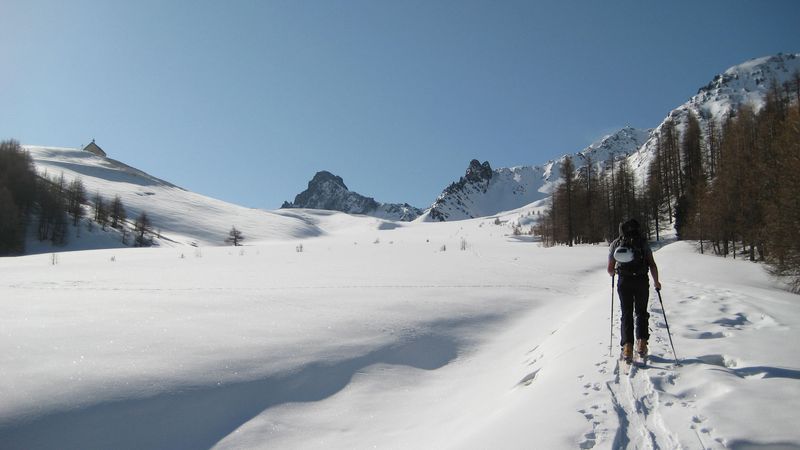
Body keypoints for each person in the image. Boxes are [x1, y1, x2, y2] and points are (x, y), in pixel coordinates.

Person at [607, 219, 662, 361]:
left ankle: (627, 347)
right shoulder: (643, 242)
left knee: (626, 313)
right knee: (641, 312)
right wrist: (656, 282)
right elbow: (652, 264)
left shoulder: (616, 244)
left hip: (624, 282)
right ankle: (642, 344)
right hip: (641, 281)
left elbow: (610, 269)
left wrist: (614, 273)